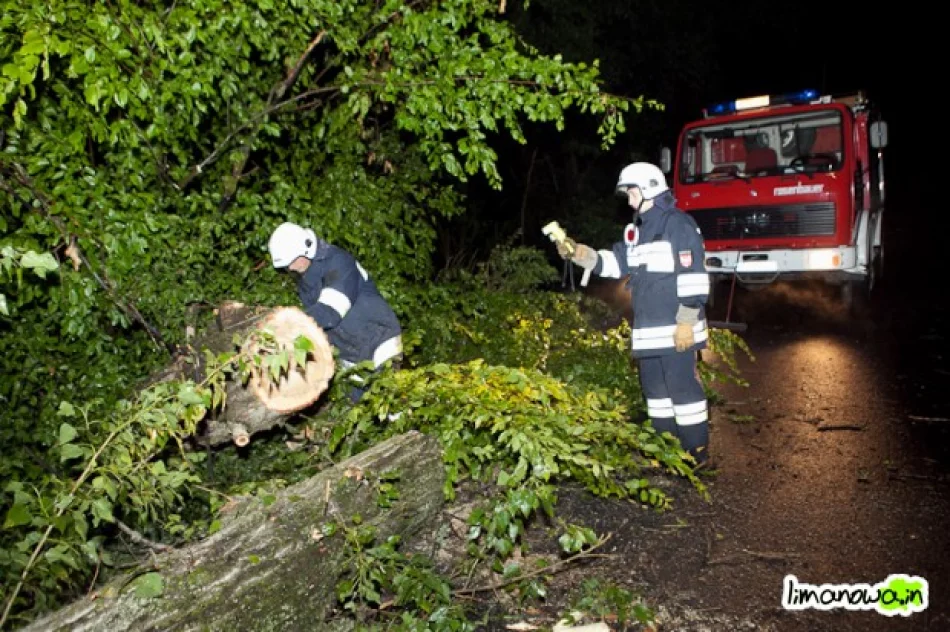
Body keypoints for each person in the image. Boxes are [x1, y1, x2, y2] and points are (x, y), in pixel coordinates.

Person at [557, 162, 712, 467]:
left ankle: (696, 456)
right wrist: (580, 254)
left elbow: (693, 274)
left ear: (649, 188)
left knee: (684, 394)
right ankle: (666, 454)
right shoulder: (636, 232)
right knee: (655, 395)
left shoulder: (679, 226)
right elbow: (616, 263)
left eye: (631, 192)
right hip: (649, 333)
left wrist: (686, 321)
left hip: (677, 330)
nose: (628, 199)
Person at [267, 221, 403, 402]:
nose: (290, 268)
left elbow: (330, 312)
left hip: (379, 338)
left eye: (291, 262)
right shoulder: (305, 281)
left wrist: (290, 327)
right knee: (359, 410)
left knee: (387, 402)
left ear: (306, 249)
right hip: (350, 351)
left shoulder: (338, 261)